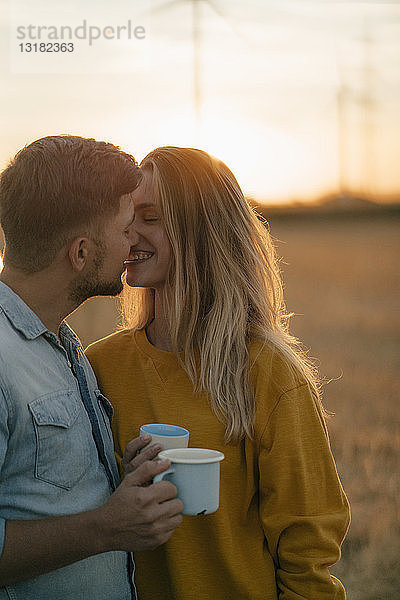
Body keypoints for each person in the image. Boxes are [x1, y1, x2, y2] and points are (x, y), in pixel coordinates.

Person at [86, 146, 351, 600]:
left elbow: (308, 556)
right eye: (129, 216)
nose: (129, 234)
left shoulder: (271, 376)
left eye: (150, 217)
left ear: (201, 231)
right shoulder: (99, 366)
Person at [0, 136, 183, 600]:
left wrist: (122, 476)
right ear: (80, 253)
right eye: (125, 228)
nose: (133, 241)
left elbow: (38, 489)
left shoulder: (61, 342)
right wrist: (106, 528)